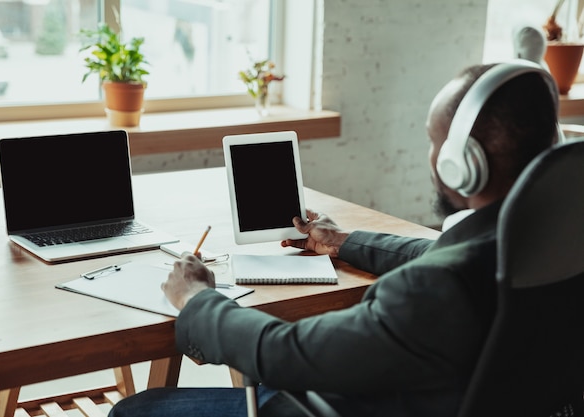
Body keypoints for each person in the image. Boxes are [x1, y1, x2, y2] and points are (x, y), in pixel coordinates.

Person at [109, 62, 559, 417]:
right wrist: (341, 242)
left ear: (464, 164)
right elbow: (443, 256)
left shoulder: (432, 291)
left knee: (137, 410)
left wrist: (197, 299)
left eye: (434, 141)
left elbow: (285, 352)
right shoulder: (547, 239)